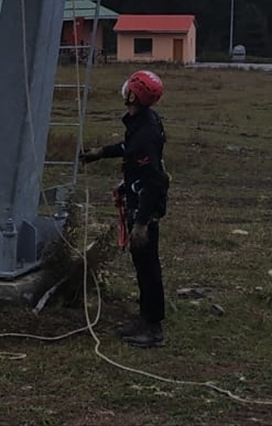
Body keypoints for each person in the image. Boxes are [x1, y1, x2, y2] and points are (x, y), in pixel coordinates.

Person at [80, 70, 169, 348]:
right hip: (138, 203)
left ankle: (152, 327)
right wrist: (101, 153)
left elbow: (154, 181)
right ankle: (145, 318)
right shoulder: (141, 122)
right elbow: (127, 148)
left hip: (144, 207)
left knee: (147, 266)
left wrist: (142, 222)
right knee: (142, 263)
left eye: (129, 86)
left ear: (134, 94)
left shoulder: (145, 133)